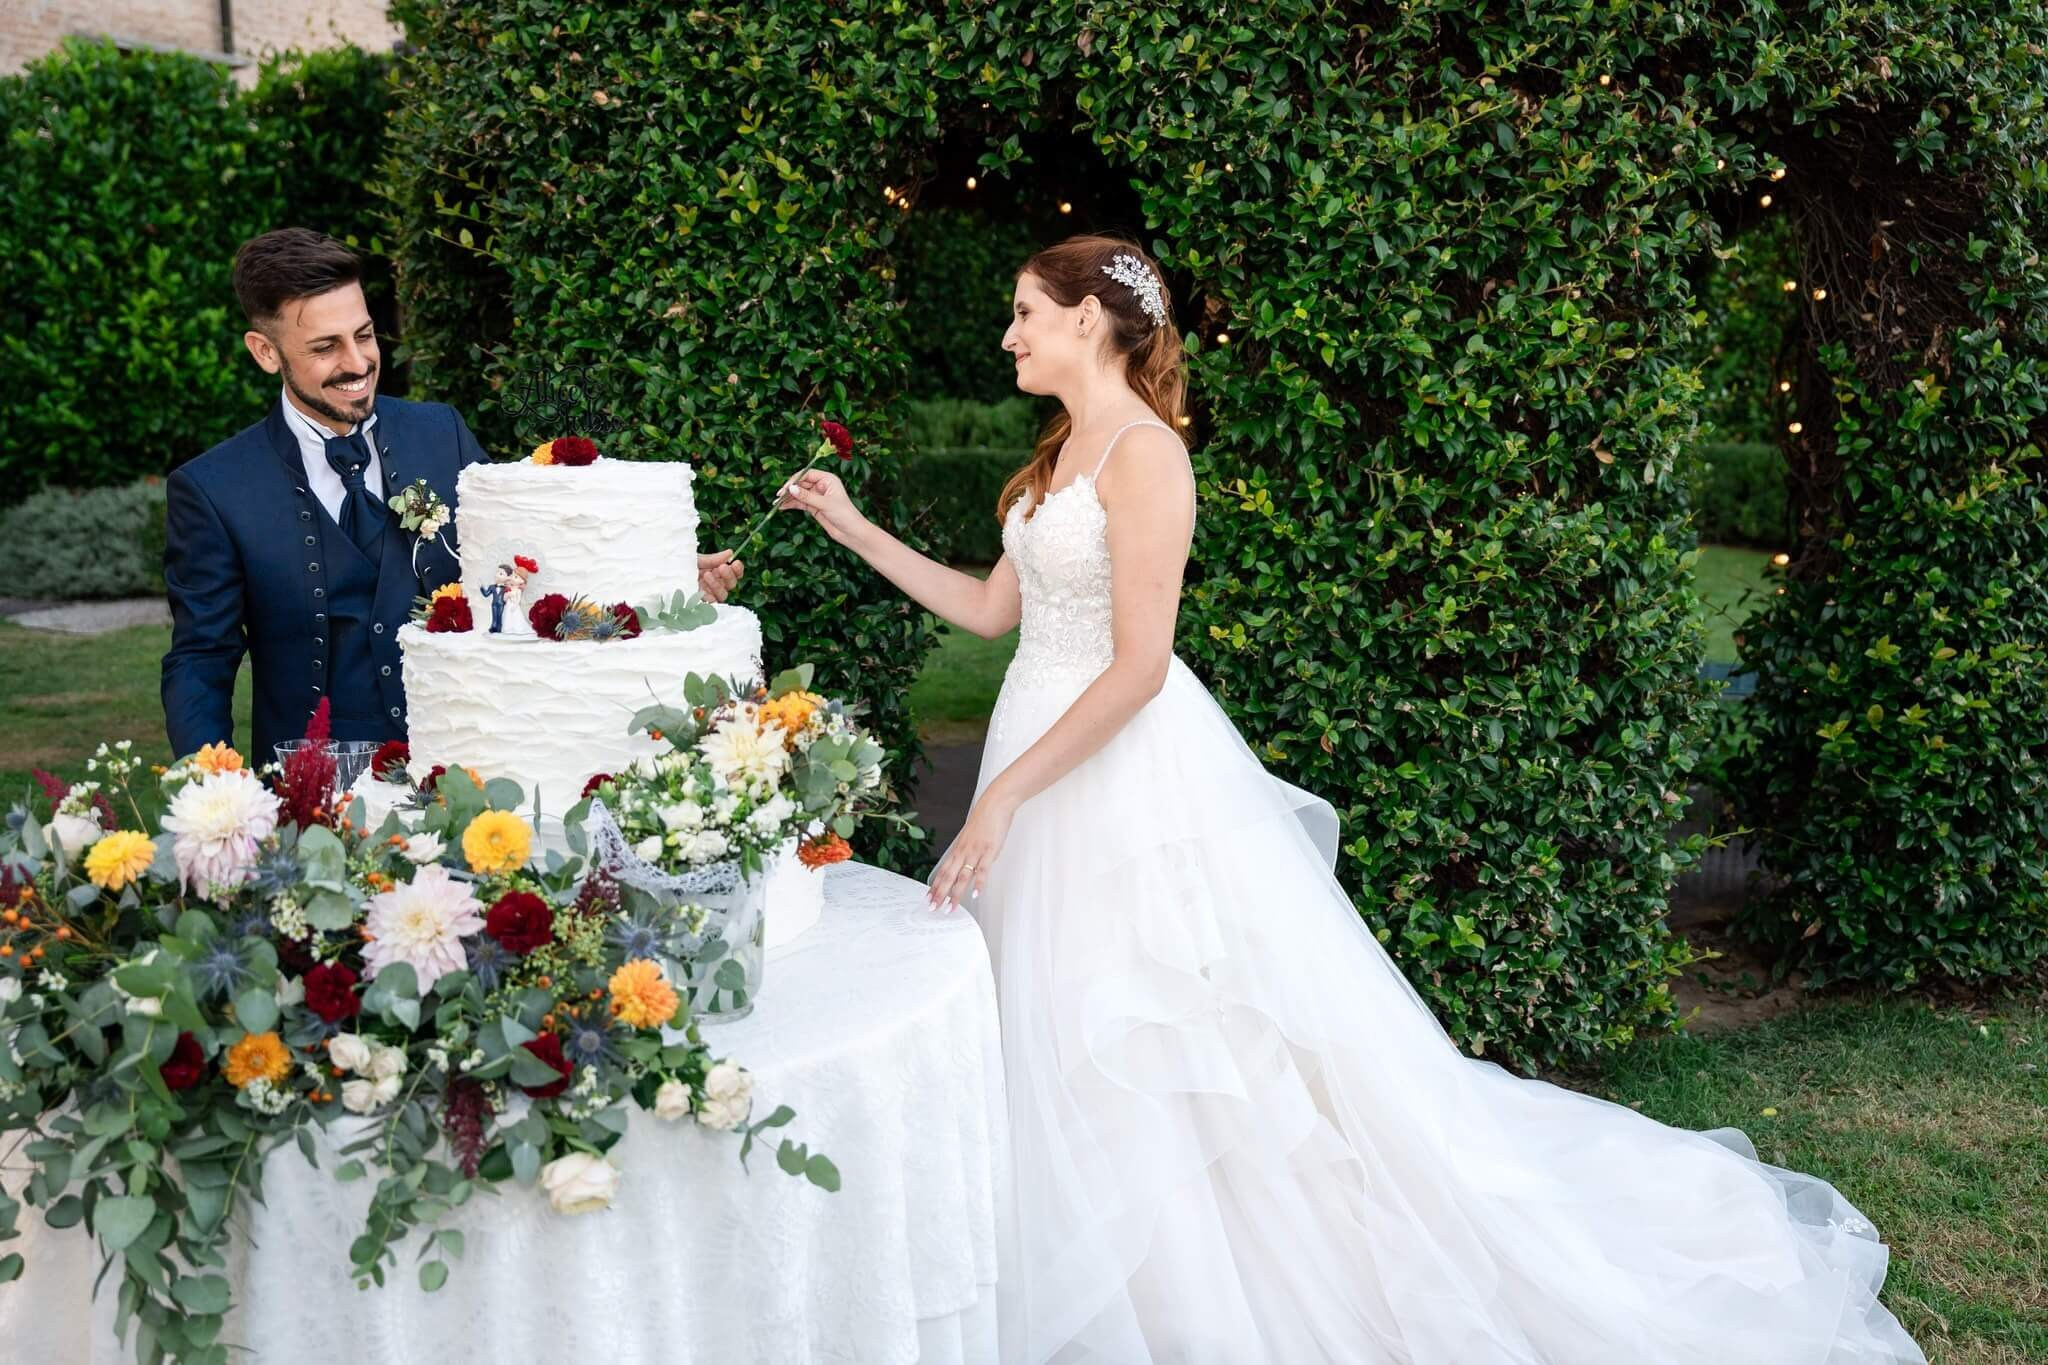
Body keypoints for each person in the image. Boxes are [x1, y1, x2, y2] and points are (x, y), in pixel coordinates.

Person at [773, 234, 1925, 1363]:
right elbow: (989, 615)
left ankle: (1200, 1292)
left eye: (1024, 310)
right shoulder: (1059, 449)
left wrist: (1002, 797)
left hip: (1107, 777)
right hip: (1037, 755)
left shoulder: (1143, 456)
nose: (1008, 333)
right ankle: (1097, 1274)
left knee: (1145, 1023)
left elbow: (1137, 667)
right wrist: (848, 522)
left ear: (1086, 320)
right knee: (1055, 1025)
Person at [162, 228, 744, 765]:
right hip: (313, 786)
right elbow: (201, 659)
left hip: (469, 761)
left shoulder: (440, 433)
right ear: (266, 352)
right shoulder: (213, 490)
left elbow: (522, 562)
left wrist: (656, 575)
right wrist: (217, 788)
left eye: (364, 335)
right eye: (325, 348)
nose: (358, 362)